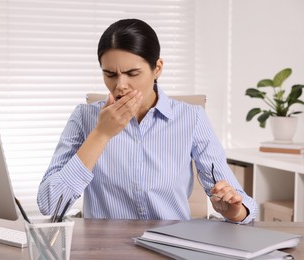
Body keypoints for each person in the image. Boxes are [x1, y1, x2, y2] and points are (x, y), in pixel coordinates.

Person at [37, 18, 257, 223]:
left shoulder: (192, 118)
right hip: (104, 247)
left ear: (157, 68)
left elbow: (243, 205)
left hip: (171, 243)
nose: (120, 85)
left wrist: (233, 210)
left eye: (132, 73)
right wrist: (101, 134)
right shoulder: (84, 117)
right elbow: (49, 204)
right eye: (110, 74)